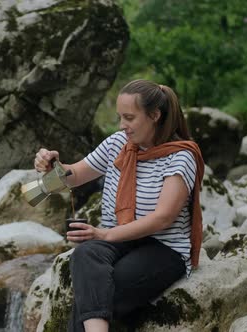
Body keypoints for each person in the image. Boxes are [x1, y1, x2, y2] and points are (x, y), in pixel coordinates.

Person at [33, 79, 205, 332]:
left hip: (163, 248)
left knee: (97, 293)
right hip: (122, 240)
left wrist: (104, 234)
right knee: (84, 254)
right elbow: (75, 175)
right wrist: (52, 165)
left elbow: (163, 218)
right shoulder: (118, 144)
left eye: (129, 118)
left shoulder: (181, 157)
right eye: (120, 117)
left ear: (155, 115)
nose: (122, 125)